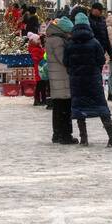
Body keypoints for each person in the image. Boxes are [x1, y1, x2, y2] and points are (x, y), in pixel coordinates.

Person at [64, 12, 112, 147]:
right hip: (93, 80)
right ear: (88, 25)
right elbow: (101, 60)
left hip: (77, 82)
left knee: (79, 108)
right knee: (101, 107)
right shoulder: (94, 42)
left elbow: (66, 62)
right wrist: (94, 71)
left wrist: (74, 72)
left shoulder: (69, 44)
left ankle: (84, 139)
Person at [44, 14, 76, 144]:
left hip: (57, 79)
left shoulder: (52, 38)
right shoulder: (58, 41)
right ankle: (65, 135)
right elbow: (64, 60)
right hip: (62, 79)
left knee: (58, 109)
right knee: (64, 109)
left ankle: (57, 134)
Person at [27, 32, 47, 104]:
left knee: (41, 85)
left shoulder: (38, 48)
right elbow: (36, 59)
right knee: (41, 85)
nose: (39, 41)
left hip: (40, 68)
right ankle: (40, 100)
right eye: (38, 40)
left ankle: (40, 100)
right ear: (34, 41)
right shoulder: (35, 49)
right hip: (39, 69)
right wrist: (43, 58)